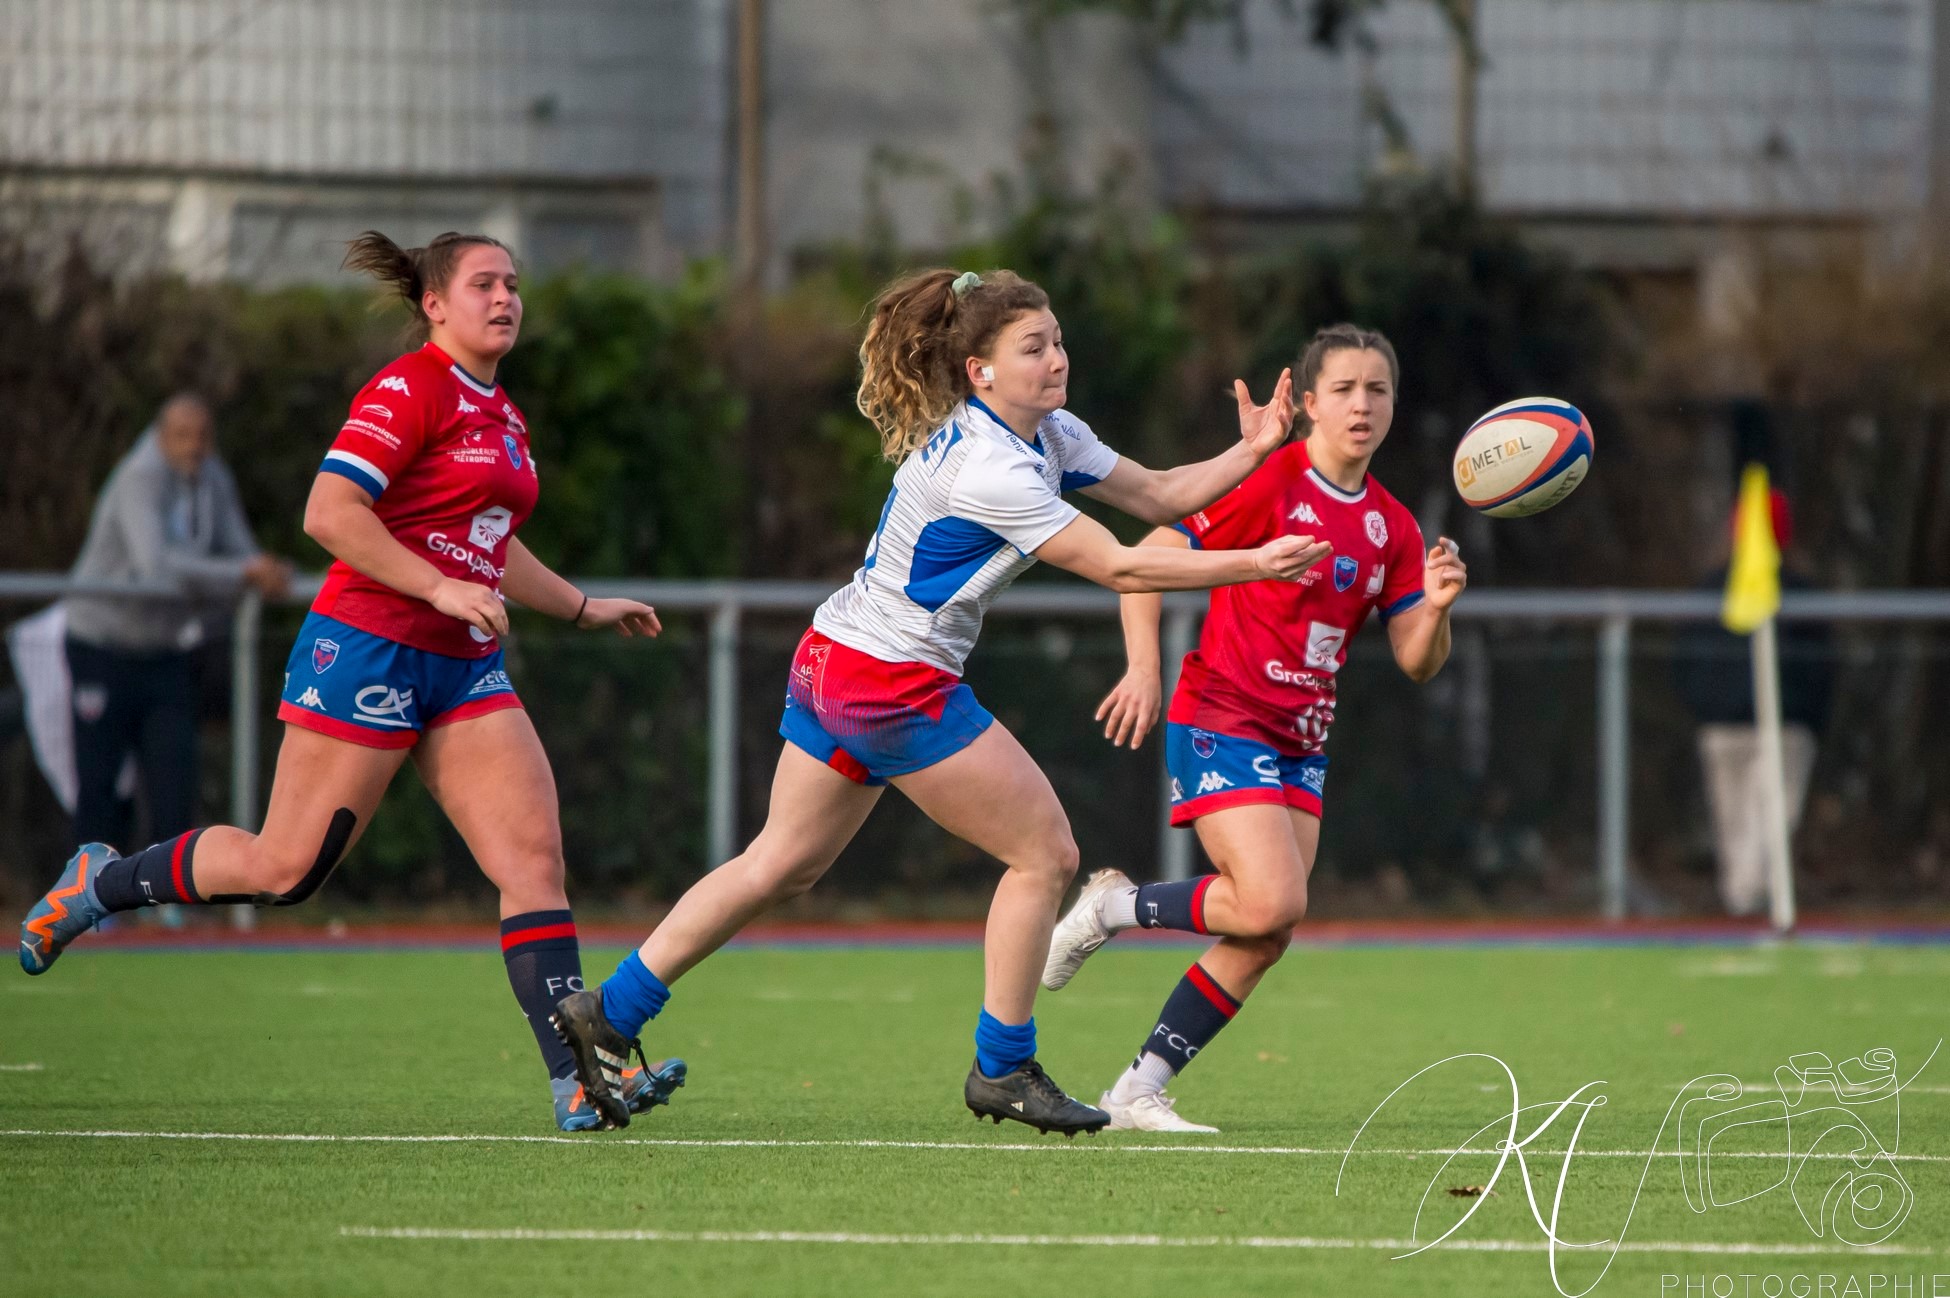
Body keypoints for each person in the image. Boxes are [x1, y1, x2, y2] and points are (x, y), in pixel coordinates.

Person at [550, 267, 1329, 1134]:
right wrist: (1251, 563)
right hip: (889, 678)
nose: (1056, 359)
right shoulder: (992, 466)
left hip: (838, 657)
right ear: (978, 372)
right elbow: (1119, 564)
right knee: (1044, 854)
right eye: (1032, 348)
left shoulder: (1047, 432)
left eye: (1058, 340)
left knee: (780, 864)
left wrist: (1251, 451)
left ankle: (611, 1010)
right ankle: (1003, 1068)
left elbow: (1154, 494)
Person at [19, 230, 677, 1134]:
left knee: (532, 862)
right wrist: (440, 586)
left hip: (462, 668)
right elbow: (329, 512)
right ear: (434, 305)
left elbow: (491, 541)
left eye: (514, 284)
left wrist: (578, 605)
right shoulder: (409, 388)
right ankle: (100, 883)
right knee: (283, 869)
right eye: (483, 284)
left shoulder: (504, 414)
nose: (505, 298)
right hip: (366, 649)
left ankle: (576, 1079)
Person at [1043, 324, 1468, 1132]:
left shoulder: (1394, 527)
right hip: (1222, 715)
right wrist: (1143, 669)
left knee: (1268, 926)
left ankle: (1137, 1091)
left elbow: (1417, 660)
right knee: (1271, 898)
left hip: (1301, 742)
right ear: (1307, 403)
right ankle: (1113, 909)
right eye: (1343, 389)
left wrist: (1439, 610)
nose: (1362, 405)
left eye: (1378, 391)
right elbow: (1144, 560)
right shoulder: (1271, 484)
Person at [61, 392, 293, 852]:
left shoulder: (212, 476)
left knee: (174, 773)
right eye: (182, 436)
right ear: (161, 436)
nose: (194, 447)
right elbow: (156, 567)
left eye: (203, 436)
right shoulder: (139, 477)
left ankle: (169, 905)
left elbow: (238, 547)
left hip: (165, 648)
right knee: (100, 779)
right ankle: (90, 898)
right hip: (102, 646)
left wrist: (263, 568)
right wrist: (242, 575)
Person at [1673, 489, 1832, 916]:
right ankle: (1746, 901)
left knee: (1766, 820)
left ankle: (1751, 900)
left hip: (1780, 724)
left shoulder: (1785, 591)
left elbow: (1819, 666)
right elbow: (1686, 659)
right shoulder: (1735, 589)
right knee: (1748, 821)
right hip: (1732, 725)